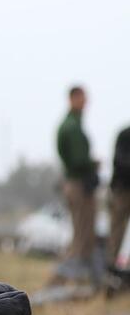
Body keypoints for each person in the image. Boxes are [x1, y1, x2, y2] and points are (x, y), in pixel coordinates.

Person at [55, 85, 101, 284]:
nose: (85, 102)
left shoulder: (72, 123)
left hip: (74, 182)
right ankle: (65, 280)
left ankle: (76, 278)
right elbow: (77, 160)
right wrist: (93, 164)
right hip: (78, 184)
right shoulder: (72, 126)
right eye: (82, 98)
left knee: (82, 235)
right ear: (73, 98)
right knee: (82, 236)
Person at [108, 125, 130, 271]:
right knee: (117, 231)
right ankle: (111, 268)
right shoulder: (125, 135)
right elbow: (119, 160)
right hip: (122, 189)